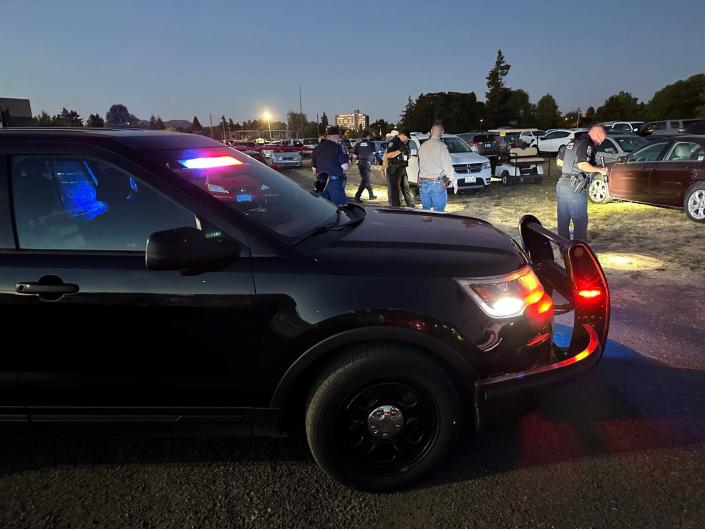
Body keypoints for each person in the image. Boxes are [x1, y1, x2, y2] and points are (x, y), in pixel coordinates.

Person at [557, 125, 608, 241]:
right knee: (580, 222)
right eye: (601, 139)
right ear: (597, 134)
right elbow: (582, 165)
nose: (600, 143)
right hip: (575, 187)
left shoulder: (572, 142)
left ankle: (564, 250)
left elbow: (559, 162)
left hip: (562, 184)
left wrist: (570, 171)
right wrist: (600, 170)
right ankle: (579, 254)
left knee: (563, 221)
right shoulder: (586, 144)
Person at [417, 121, 455, 211]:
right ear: (442, 132)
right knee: (439, 213)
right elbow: (447, 166)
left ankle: (426, 225)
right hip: (437, 183)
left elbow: (419, 165)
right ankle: (436, 225)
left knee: (426, 211)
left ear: (431, 131)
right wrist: (452, 181)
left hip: (423, 183)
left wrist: (418, 178)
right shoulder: (442, 146)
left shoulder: (422, 146)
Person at [311, 126, 350, 205]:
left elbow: (314, 168)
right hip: (335, 183)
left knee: (324, 207)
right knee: (340, 207)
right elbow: (345, 166)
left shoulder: (317, 148)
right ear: (335, 136)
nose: (339, 138)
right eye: (338, 136)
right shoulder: (337, 147)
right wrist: (348, 162)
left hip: (320, 183)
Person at [384, 130, 413, 207]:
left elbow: (407, 155)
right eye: (406, 137)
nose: (407, 139)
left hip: (402, 168)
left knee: (406, 188)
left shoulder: (404, 143)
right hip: (394, 169)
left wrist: (407, 153)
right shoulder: (393, 142)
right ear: (403, 135)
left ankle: (410, 205)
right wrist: (399, 151)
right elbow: (388, 155)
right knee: (395, 190)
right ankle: (396, 207)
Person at [352, 132, 377, 203]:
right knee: (365, 180)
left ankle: (371, 194)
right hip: (367, 163)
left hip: (360, 164)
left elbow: (354, 156)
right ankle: (357, 196)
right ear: (368, 136)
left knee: (366, 179)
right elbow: (373, 154)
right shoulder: (371, 144)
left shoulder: (357, 144)